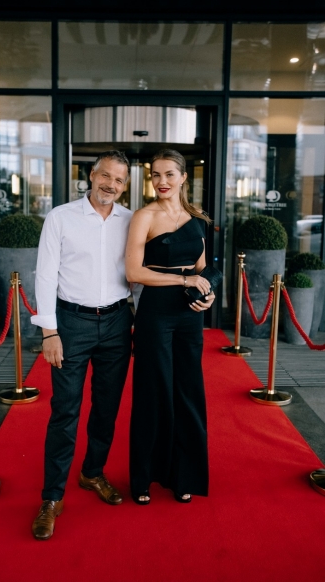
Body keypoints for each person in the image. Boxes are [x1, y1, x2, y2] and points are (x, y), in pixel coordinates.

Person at [30, 150, 134, 540]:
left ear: (125, 185)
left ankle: (92, 472)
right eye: (105, 176)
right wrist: (49, 332)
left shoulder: (131, 220)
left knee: (107, 408)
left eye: (119, 180)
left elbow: (137, 275)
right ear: (91, 175)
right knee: (65, 411)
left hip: (117, 322)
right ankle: (52, 497)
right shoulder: (61, 217)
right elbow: (45, 276)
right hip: (71, 323)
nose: (111, 184)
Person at [125, 148, 215, 505]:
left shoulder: (197, 218)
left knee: (188, 392)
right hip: (156, 313)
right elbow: (134, 272)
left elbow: (202, 268)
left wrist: (208, 294)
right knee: (154, 392)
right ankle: (144, 477)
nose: (162, 181)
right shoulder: (143, 216)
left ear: (183, 178)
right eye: (156, 175)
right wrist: (184, 280)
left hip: (190, 313)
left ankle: (184, 475)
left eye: (169, 174)